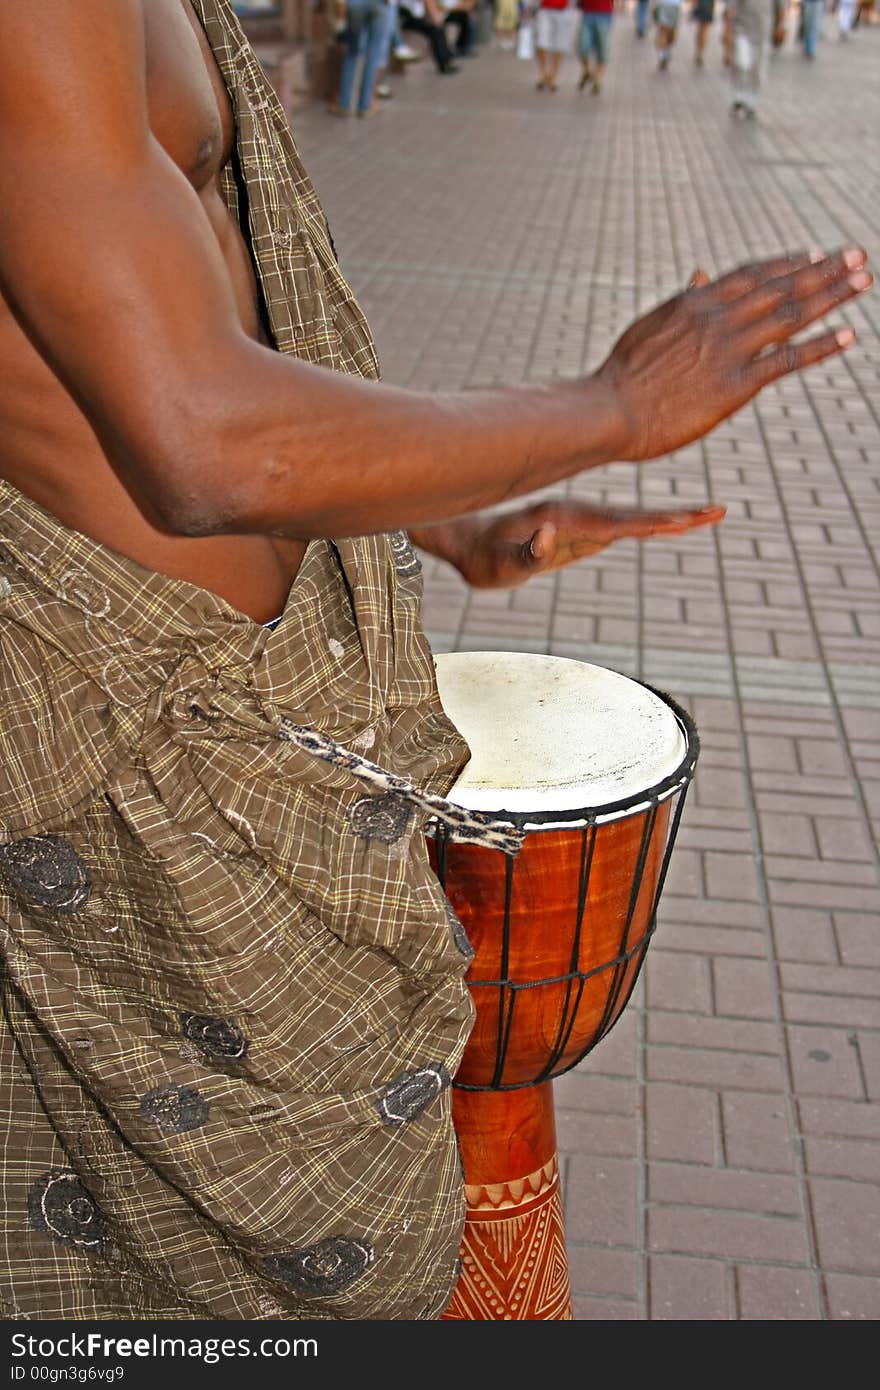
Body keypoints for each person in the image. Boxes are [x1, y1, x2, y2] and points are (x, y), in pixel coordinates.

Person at [0, 0, 870, 1323]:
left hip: (252, 720)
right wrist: (609, 411)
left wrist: (447, 508)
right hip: (146, 767)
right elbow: (195, 438)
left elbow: (171, 325)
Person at [328, 0, 395, 116]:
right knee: (373, 54)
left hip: (356, 4)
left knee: (352, 52)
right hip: (380, 4)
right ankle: (365, 105)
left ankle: (343, 104)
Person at [728, 0, 774, 114]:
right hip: (743, 31)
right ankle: (739, 95)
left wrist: (781, 25)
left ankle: (751, 100)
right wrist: (728, 29)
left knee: (758, 69)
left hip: (763, 34)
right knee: (742, 62)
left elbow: (780, 6)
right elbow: (732, 7)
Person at [398, 0, 462, 70]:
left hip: (414, 17)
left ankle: (447, 57)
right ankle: (444, 63)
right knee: (435, 30)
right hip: (407, 18)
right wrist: (434, 17)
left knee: (438, 27)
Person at [533, 0, 577, 89]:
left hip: (564, 10)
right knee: (541, 43)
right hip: (545, 9)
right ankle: (543, 74)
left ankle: (554, 76)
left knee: (560, 44)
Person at [576, 0, 615, 92]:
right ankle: (587, 72)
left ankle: (597, 79)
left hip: (604, 13)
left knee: (602, 49)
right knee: (583, 48)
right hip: (587, 13)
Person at [654, 0, 684, 67]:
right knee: (663, 30)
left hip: (673, 5)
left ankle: (665, 52)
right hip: (666, 4)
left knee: (669, 31)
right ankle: (662, 54)